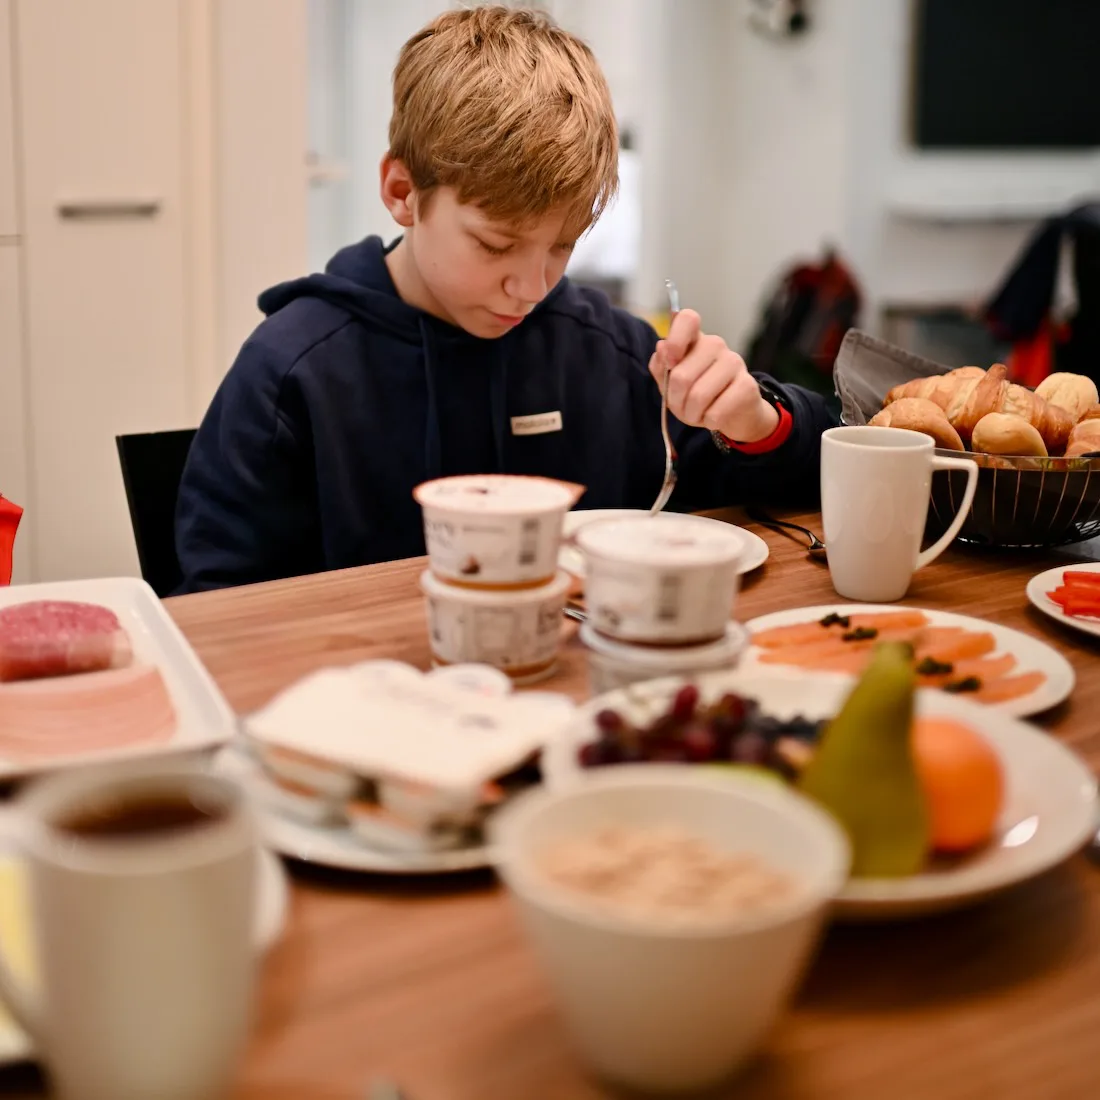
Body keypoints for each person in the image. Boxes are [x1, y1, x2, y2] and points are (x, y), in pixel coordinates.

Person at [175, 5, 836, 593]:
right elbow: (218, 609)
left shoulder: (608, 352)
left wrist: (758, 423)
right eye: (495, 246)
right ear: (402, 193)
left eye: (562, 247)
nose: (532, 287)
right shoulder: (293, 373)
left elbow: (823, 474)